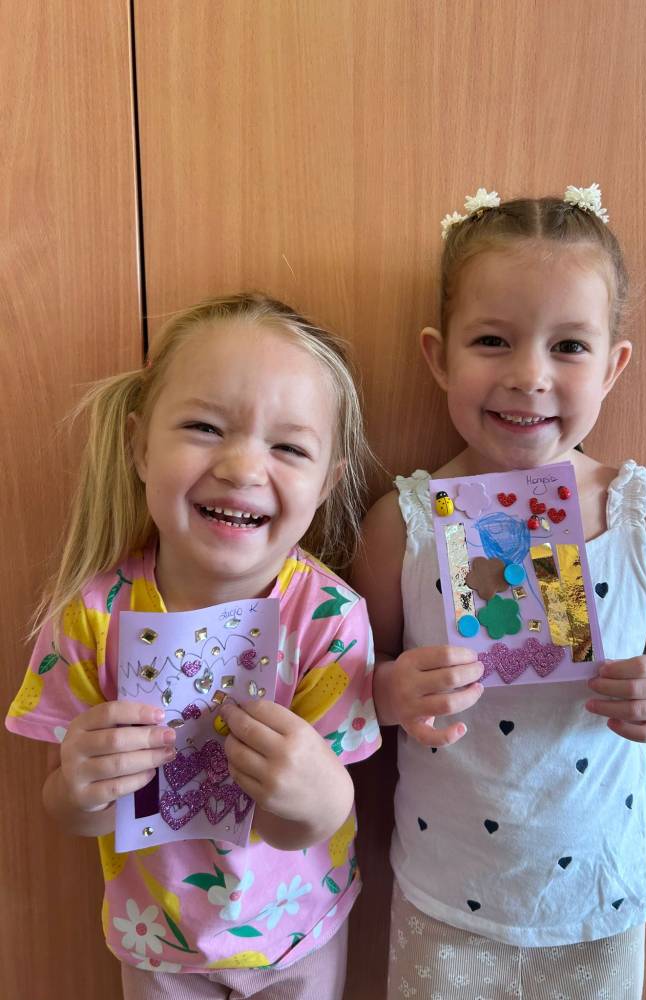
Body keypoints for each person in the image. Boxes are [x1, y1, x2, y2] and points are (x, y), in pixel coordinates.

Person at [351, 185, 646, 999]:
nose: (529, 376)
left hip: (598, 894)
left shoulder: (644, 514)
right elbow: (347, 680)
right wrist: (390, 690)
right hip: (447, 893)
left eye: (570, 347)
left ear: (613, 366)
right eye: (492, 340)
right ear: (439, 357)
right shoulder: (402, 527)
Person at [6, 292, 381, 999]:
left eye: (288, 447)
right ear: (139, 446)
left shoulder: (330, 618)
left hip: (299, 934)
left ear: (327, 483)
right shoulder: (93, 616)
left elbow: (318, 819)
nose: (242, 468)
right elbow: (71, 810)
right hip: (156, 939)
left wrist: (316, 794)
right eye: (205, 428)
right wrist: (81, 786)